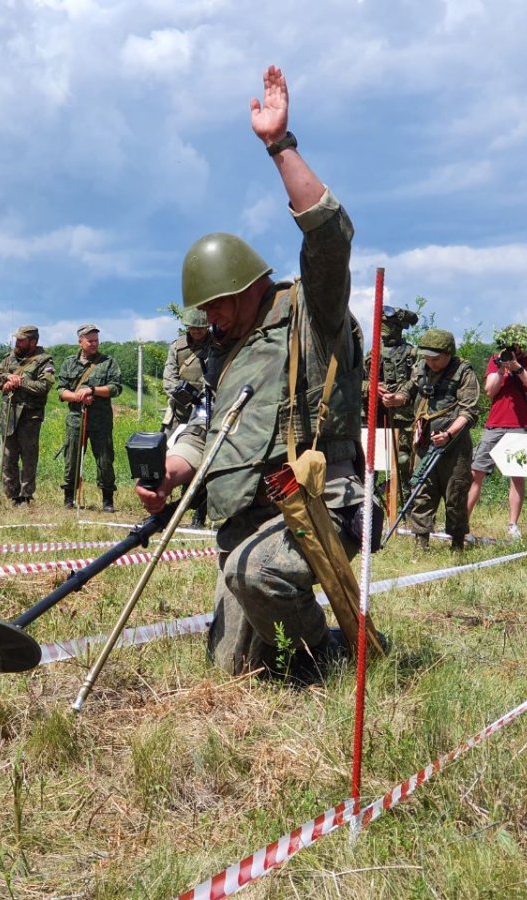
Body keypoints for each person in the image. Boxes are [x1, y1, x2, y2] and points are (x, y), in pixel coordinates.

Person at [136, 64, 366, 683]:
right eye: (204, 309)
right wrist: (171, 472)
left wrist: (279, 145)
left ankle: (331, 660)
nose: (210, 318)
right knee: (229, 670)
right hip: (245, 521)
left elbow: (329, 236)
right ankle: (300, 639)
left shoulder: (308, 317)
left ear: (250, 287)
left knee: (254, 575)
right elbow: (208, 426)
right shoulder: (219, 349)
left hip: (321, 502)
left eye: (218, 304)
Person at [382, 328, 480, 551]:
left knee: (455, 493)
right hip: (424, 441)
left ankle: (457, 544)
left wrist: (449, 434)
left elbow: (469, 412)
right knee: (422, 491)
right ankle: (421, 543)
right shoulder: (421, 367)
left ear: (447, 353)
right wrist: (394, 399)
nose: (430, 362)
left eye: (435, 358)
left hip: (454, 446)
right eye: (426, 357)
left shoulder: (463, 372)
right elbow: (407, 392)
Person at [465, 332, 527, 539]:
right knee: (476, 472)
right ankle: (462, 521)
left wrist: (518, 368)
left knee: (516, 476)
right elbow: (489, 390)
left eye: (516, 346)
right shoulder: (497, 358)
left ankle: (512, 525)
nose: (512, 349)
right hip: (495, 424)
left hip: (522, 424)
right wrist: (502, 367)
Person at [58, 324, 123, 512]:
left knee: (104, 459)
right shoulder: (69, 363)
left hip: (101, 419)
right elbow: (61, 390)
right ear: (80, 342)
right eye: (90, 341)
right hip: (76, 418)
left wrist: (93, 390)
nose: (94, 344)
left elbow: (115, 388)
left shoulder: (108, 362)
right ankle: (69, 498)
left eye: (96, 340)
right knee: (71, 458)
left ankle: (108, 500)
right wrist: (76, 396)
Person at [0, 325, 56, 506]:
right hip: (9, 414)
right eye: (16, 339)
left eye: (21, 340)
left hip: (29, 416)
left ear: (33, 342)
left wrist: (20, 382)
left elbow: (44, 386)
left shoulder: (45, 361)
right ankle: (12, 494)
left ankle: (26, 495)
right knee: (7, 456)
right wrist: (6, 379)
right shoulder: (9, 358)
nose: (17, 343)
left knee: (28, 457)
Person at [162, 307, 211, 527]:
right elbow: (168, 380)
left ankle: (199, 513)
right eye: (193, 328)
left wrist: (204, 399)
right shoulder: (177, 347)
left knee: (202, 464)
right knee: (166, 460)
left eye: (201, 328)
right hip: (179, 413)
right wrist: (185, 397)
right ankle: (163, 511)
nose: (197, 332)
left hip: (206, 413)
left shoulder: (217, 345)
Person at [366, 306, 420, 493]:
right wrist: (371, 386)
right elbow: (358, 379)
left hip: (402, 417)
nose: (385, 332)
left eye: (389, 326)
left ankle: (402, 494)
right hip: (377, 416)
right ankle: (372, 496)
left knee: (403, 458)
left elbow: (418, 379)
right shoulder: (373, 353)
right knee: (374, 458)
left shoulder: (411, 353)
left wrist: (401, 396)